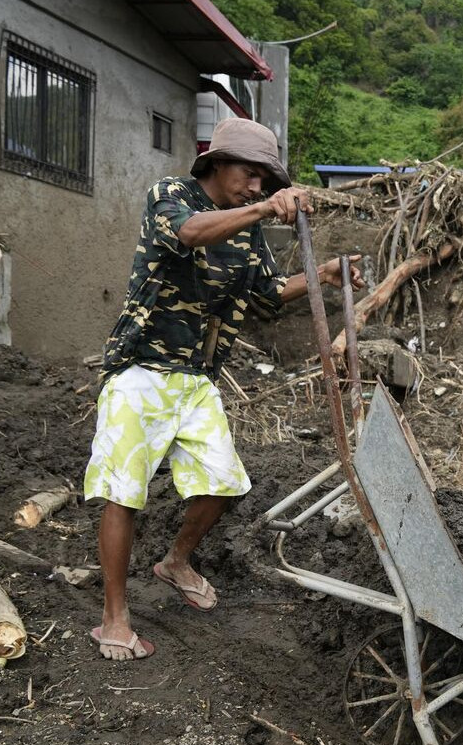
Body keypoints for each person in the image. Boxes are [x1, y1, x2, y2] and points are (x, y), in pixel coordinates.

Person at [83, 118, 362, 661]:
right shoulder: (171, 195)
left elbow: (265, 294)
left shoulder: (249, 229)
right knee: (123, 492)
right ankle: (114, 618)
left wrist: (321, 276)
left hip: (194, 376)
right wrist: (260, 210)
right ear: (217, 162)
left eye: (265, 181)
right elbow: (188, 234)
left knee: (224, 482)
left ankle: (175, 561)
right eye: (251, 175)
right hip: (140, 368)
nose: (257, 187)